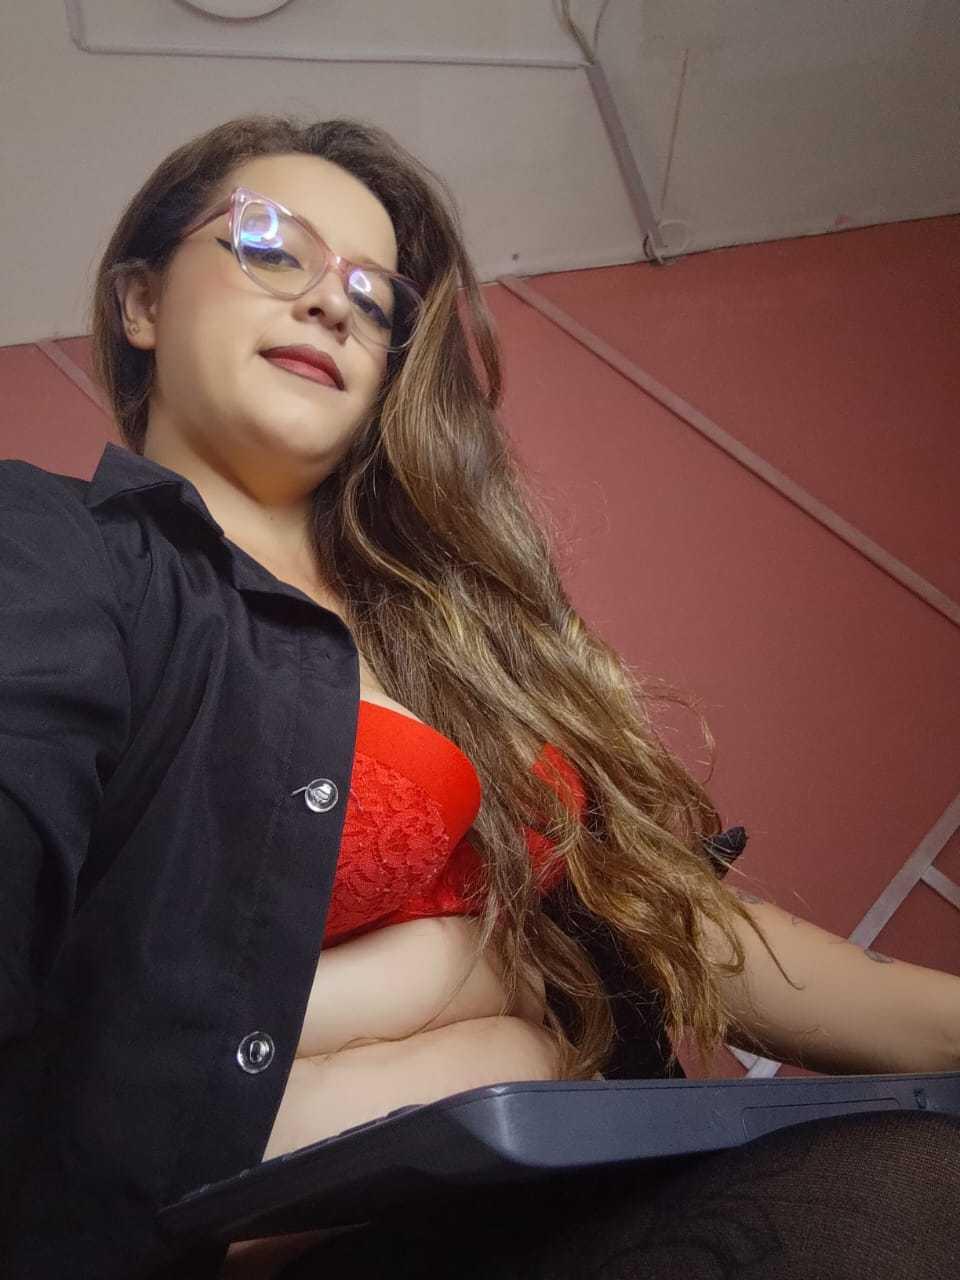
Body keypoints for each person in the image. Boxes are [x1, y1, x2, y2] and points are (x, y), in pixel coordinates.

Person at [1, 114, 958, 1280]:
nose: (332, 303)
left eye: (376, 297)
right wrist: (473, 978)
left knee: (922, 1170)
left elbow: (674, 923)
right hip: (273, 1245)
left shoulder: (463, 648)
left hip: (565, 1205)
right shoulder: (57, 555)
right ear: (141, 301)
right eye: (270, 245)